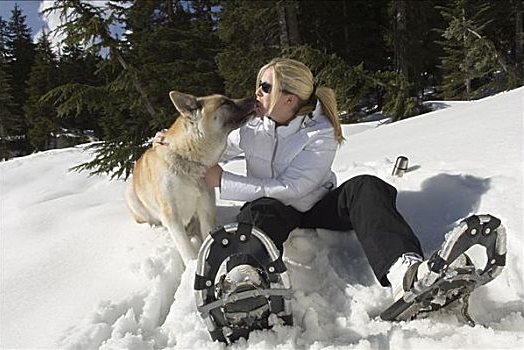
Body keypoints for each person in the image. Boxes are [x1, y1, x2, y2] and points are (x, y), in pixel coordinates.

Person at [153, 58, 448, 305]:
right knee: (257, 211)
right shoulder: (253, 125)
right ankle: (244, 283)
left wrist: (224, 180)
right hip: (274, 212)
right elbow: (211, 144)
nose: (257, 92)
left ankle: (407, 274)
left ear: (289, 99)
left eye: (266, 88)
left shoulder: (320, 131)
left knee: (367, 187)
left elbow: (293, 188)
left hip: (318, 206)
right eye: (259, 84)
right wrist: (172, 141)